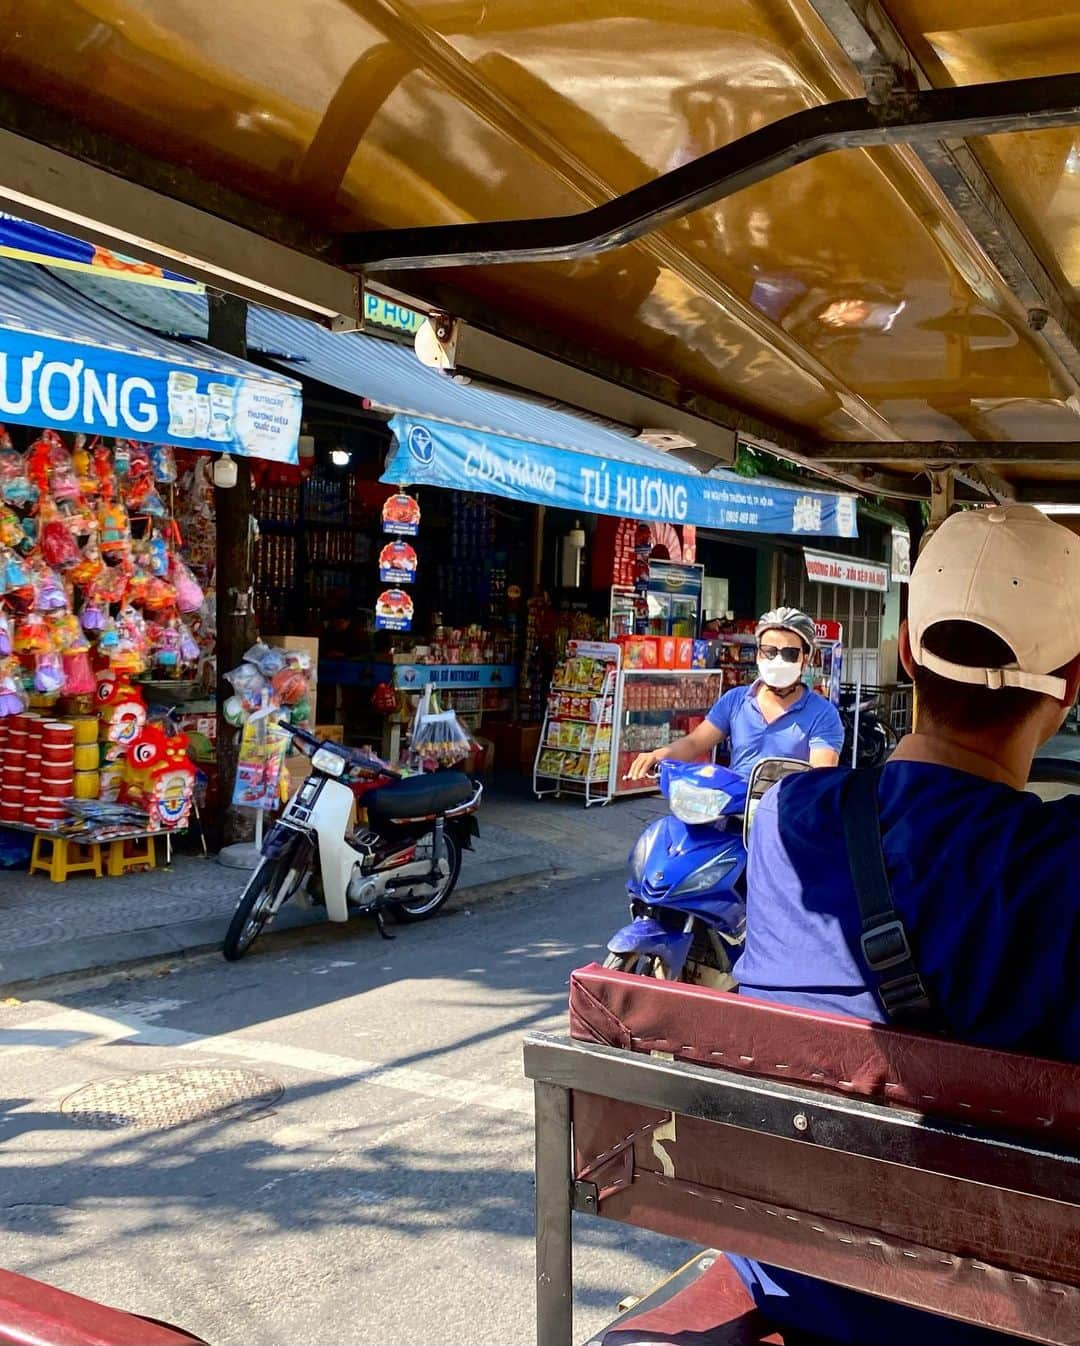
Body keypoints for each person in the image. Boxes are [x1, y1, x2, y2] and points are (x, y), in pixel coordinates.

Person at [729, 504, 1080, 1346]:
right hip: (995, 1314)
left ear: (906, 650)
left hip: (794, 1275)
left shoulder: (785, 821)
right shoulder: (1061, 868)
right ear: (1069, 687)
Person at [627, 607, 844, 781]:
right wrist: (658, 755)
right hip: (733, 810)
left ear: (805, 659)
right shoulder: (735, 700)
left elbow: (820, 775)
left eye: (789, 653)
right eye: (770, 651)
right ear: (758, 654)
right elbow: (695, 743)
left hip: (786, 818)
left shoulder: (823, 714)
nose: (777, 660)